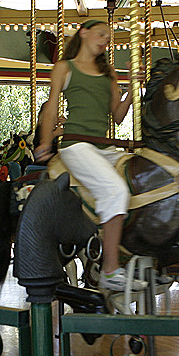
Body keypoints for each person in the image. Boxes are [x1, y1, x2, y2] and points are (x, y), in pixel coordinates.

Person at [35, 19, 142, 291]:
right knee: (116, 190)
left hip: (105, 146)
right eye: (102, 33)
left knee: (145, 181)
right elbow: (50, 108)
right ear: (83, 32)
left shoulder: (109, 74)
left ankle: (143, 256)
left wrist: (132, 89)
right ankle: (109, 269)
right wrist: (45, 141)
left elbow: (117, 117)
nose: (107, 39)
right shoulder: (65, 68)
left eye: (109, 36)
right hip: (77, 145)